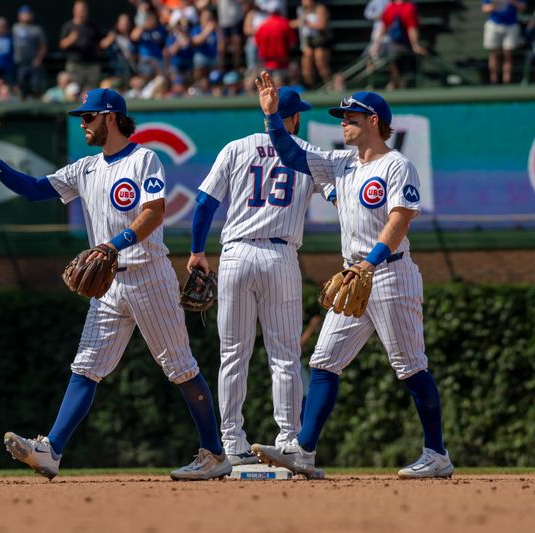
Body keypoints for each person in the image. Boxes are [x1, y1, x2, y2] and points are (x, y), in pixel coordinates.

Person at [0, 88, 231, 481]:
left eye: (88, 116)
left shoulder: (144, 158)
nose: (82, 123)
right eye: (81, 117)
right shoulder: (85, 169)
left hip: (148, 275)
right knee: (86, 367)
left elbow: (153, 213)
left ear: (111, 117)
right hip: (108, 285)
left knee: (180, 367)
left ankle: (214, 453)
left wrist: (113, 244)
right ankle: (51, 449)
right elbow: (35, 190)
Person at [251, 71, 454, 479]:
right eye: (343, 117)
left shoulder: (397, 165)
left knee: (410, 366)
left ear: (374, 121)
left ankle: (436, 453)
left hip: (390, 275)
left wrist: (370, 262)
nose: (343, 122)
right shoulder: (341, 163)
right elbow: (290, 155)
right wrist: (272, 117)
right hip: (353, 280)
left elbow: (400, 221)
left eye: (351, 117)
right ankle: (304, 453)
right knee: (324, 362)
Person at [186, 87, 334, 466]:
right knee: (285, 356)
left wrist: (197, 251)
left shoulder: (236, 148)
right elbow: (339, 196)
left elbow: (204, 202)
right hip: (280, 256)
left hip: (236, 254)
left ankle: (232, 443)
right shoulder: (306, 154)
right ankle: (287, 440)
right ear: (295, 117)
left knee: (233, 355)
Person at [369, 0, 427, 90]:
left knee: (394, 66)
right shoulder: (408, 7)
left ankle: (392, 84)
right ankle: (395, 84)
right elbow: (411, 29)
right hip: (402, 47)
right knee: (401, 70)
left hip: (393, 46)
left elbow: (383, 28)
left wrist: (376, 45)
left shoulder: (390, 7)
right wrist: (415, 45)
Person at [482, 0, 527, 84]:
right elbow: (485, 8)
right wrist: (496, 4)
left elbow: (522, 7)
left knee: (507, 53)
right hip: (494, 24)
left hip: (511, 25)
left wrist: (511, 2)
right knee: (494, 53)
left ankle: (507, 80)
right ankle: (493, 80)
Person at [60, 0, 102, 90]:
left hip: (91, 65)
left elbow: (99, 44)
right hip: (75, 66)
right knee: (73, 91)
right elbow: (62, 44)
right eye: (79, 10)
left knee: (89, 95)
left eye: (84, 10)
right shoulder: (68, 26)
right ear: (74, 11)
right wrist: (71, 39)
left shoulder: (92, 25)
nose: (82, 12)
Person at [292, 0, 331, 87]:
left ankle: (328, 84)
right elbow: (298, 23)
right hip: (308, 42)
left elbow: (322, 25)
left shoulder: (320, 8)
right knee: (306, 63)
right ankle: (310, 85)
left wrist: (308, 24)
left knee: (320, 61)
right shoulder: (302, 10)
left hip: (320, 41)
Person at [254, 0, 297, 78]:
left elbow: (256, 43)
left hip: (266, 64)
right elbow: (292, 44)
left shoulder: (262, 26)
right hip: (283, 64)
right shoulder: (285, 24)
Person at [12, 5, 47, 98]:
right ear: (19, 16)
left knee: (36, 86)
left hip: (32, 63)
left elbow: (43, 46)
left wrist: (38, 59)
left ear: (32, 15)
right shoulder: (15, 28)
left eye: (28, 14)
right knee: (21, 86)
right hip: (19, 64)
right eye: (23, 14)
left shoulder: (37, 29)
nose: (26, 16)